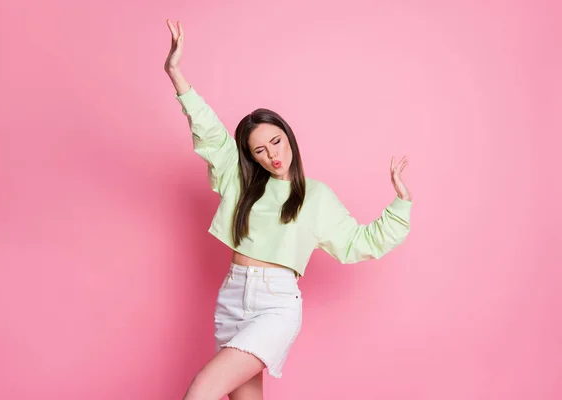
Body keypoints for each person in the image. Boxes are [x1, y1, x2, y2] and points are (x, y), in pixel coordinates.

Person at [165, 19, 413, 400]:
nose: (272, 155)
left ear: (289, 137)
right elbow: (210, 132)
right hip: (233, 298)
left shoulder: (316, 197)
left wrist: (400, 204)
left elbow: (361, 242)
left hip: (276, 304)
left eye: (276, 142)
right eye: (259, 150)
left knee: (202, 390)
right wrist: (176, 74)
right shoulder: (242, 183)